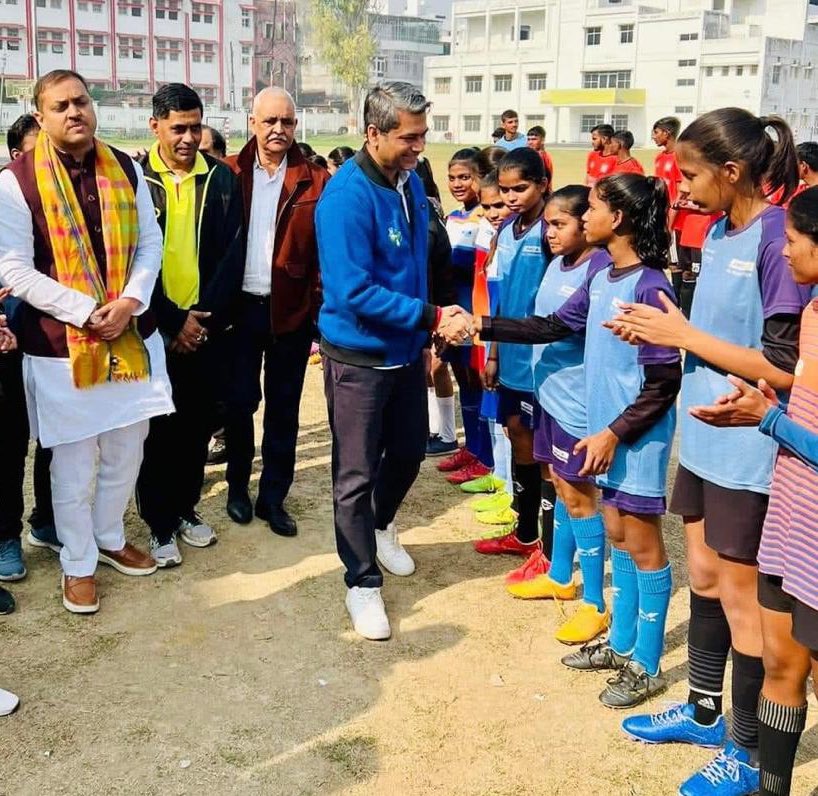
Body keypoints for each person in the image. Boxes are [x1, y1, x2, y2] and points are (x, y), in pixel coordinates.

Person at [611, 108, 810, 796]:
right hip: (702, 440)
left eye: (693, 173)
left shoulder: (776, 235)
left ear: (732, 172)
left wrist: (685, 335)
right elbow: (715, 333)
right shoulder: (722, 230)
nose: (682, 186)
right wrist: (663, 330)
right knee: (701, 575)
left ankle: (749, 750)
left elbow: (783, 366)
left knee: (740, 598)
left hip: (746, 448)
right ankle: (702, 711)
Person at [462, 173, 681, 708]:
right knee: (617, 532)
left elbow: (663, 381)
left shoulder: (649, 284)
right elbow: (550, 326)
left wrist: (612, 431)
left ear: (619, 219)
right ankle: (623, 642)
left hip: (633, 435)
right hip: (604, 429)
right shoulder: (604, 279)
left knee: (644, 545)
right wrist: (478, 325)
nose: (584, 219)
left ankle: (647, 664)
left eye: (593, 209)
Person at [0, 69, 174, 614]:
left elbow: (151, 243)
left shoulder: (125, 167)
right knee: (73, 465)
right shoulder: (16, 181)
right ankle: (77, 562)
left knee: (127, 450)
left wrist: (129, 303)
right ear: (40, 117)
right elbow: (14, 269)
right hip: (60, 346)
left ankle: (109, 536)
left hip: (130, 334)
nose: (74, 112)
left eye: (80, 101)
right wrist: (86, 312)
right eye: (60, 106)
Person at [316, 81, 469, 640]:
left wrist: (426, 335)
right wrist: (432, 317)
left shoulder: (407, 184)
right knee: (354, 475)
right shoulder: (346, 197)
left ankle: (381, 528)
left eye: (423, 136)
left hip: (405, 350)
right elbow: (352, 291)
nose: (419, 147)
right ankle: (361, 582)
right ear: (373, 133)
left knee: (408, 450)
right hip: (358, 356)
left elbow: (416, 266)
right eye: (409, 137)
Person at [687, 186, 818, 796]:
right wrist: (770, 407)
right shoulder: (813, 314)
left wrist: (766, 420)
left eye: (793, 241)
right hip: (791, 512)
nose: (784, 252)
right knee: (781, 663)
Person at [134, 84, 244, 566]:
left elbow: (231, 255)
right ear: (155, 125)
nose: (188, 138)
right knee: (158, 430)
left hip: (204, 329)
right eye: (178, 128)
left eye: (195, 127)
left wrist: (200, 321)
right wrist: (172, 320)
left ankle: (185, 509)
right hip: (156, 329)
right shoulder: (136, 178)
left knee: (197, 425)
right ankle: (158, 523)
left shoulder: (220, 180)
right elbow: (133, 259)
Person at [499, 186, 610, 647]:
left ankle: (596, 605)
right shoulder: (557, 265)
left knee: (581, 496)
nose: (549, 234)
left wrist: (480, 327)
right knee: (559, 485)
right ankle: (560, 574)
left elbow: (552, 326)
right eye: (547, 224)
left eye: (559, 224)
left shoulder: (599, 269)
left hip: (578, 405)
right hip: (549, 396)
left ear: (587, 222)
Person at [222, 87, 328, 537]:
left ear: (295, 126)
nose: (278, 130)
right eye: (269, 122)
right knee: (239, 404)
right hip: (239, 311)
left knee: (284, 409)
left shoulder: (316, 180)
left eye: (286, 122)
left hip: (291, 313)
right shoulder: (228, 173)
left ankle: (273, 498)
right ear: (252, 123)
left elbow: (325, 253)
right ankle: (236, 490)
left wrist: (316, 312)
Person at [472, 148, 554, 558]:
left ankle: (553, 546)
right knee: (516, 434)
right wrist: (494, 355)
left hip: (546, 363)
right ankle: (524, 534)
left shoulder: (553, 231)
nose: (511, 198)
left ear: (542, 184)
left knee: (547, 453)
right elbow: (502, 300)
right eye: (504, 190)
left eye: (520, 188)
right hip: (512, 358)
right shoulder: (506, 232)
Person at [0, 116, 59, 586]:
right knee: (9, 440)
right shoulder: (6, 196)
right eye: (32, 154)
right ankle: (6, 536)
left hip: (47, 339)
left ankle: (47, 518)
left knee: (55, 434)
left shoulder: (68, 207)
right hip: (8, 341)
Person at [433, 148, 493, 483]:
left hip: (475, 313)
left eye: (465, 177)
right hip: (453, 314)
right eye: (452, 177)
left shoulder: (487, 218)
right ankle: (472, 447)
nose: (457, 184)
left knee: (478, 380)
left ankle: (485, 456)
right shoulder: (454, 216)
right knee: (464, 380)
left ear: (481, 177)